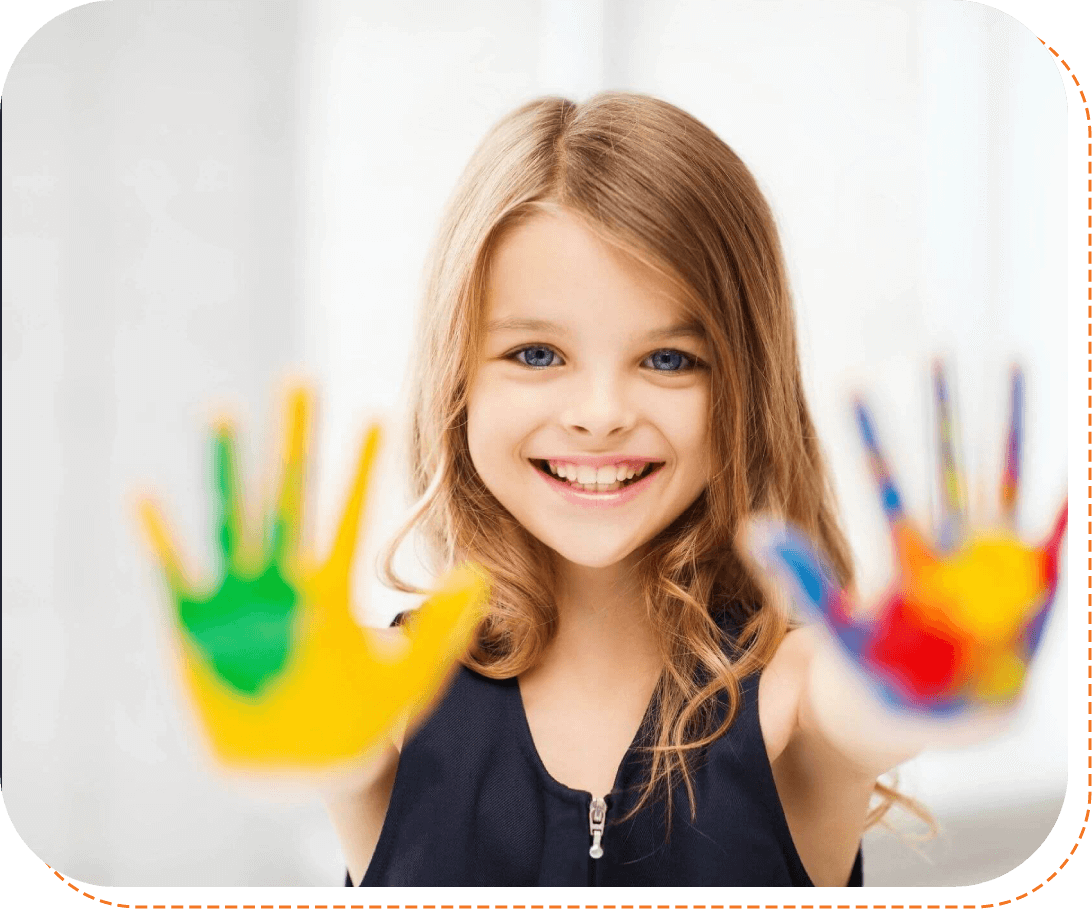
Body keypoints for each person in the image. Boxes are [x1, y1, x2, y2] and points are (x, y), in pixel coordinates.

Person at [141, 91, 1065, 888]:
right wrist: (281, 720)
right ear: (458, 380)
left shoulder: (794, 696)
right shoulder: (377, 691)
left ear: (745, 384)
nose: (599, 412)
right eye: (536, 353)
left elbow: (870, 708)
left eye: (669, 358)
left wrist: (935, 679)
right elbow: (321, 743)